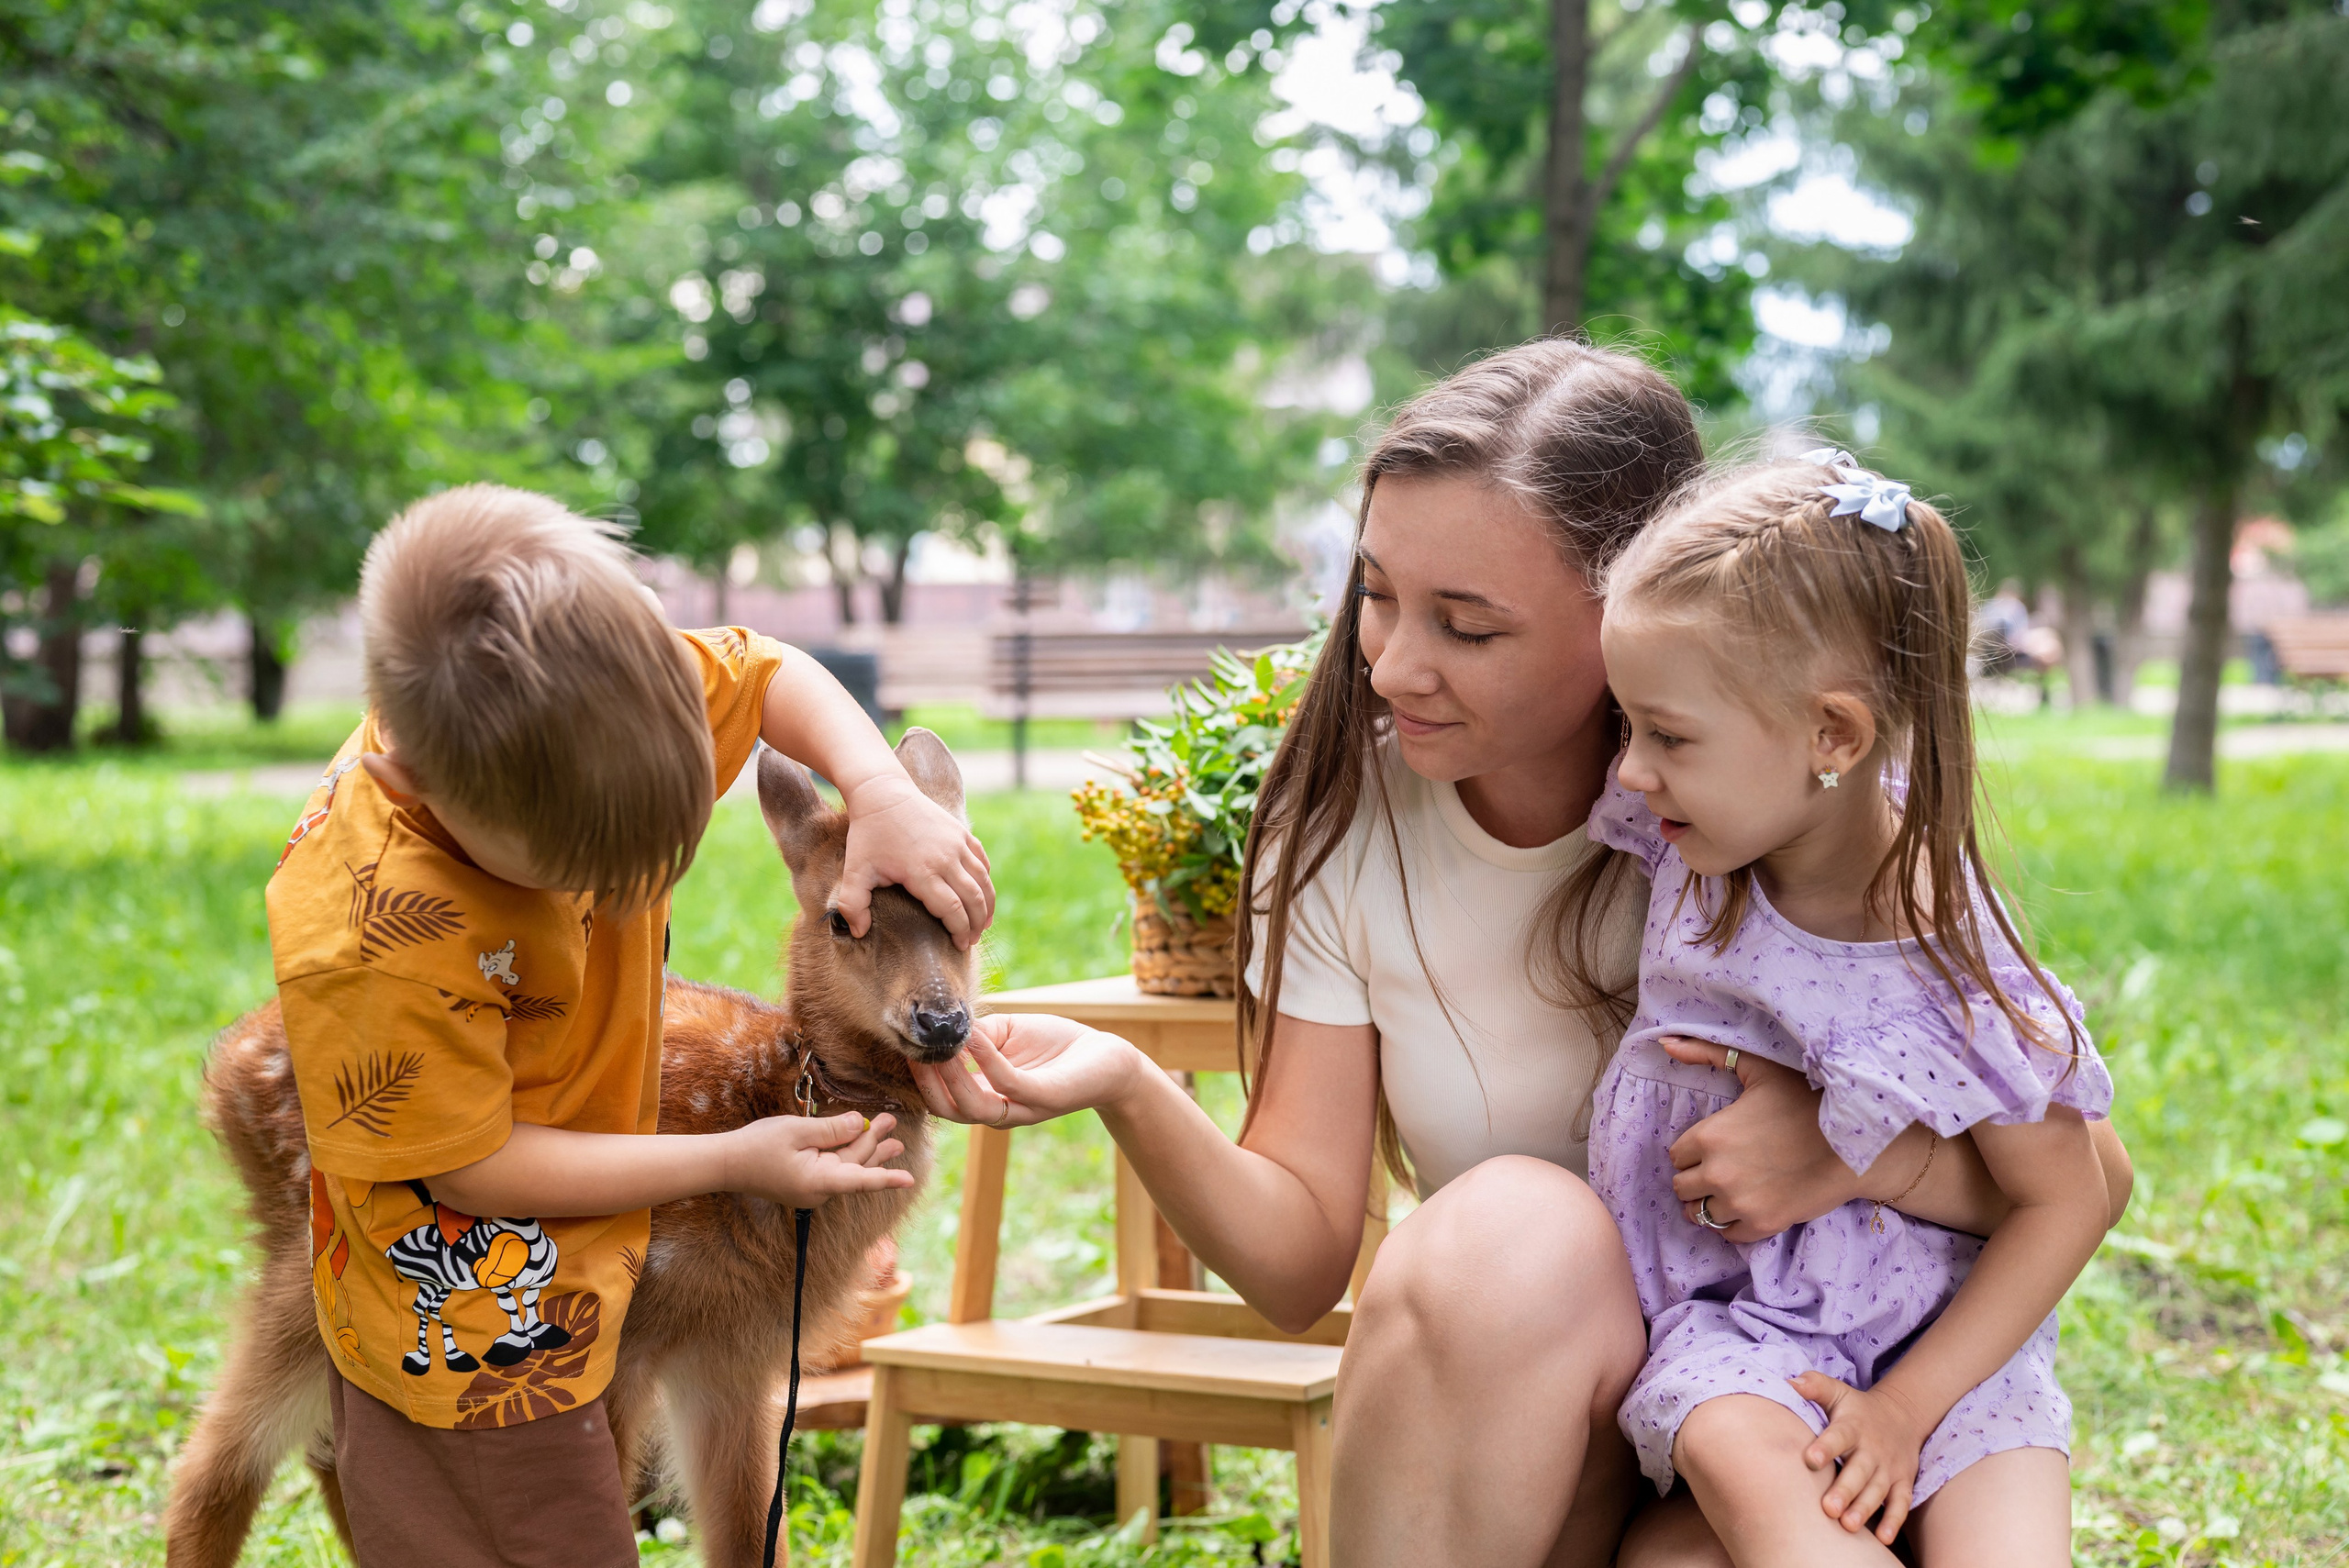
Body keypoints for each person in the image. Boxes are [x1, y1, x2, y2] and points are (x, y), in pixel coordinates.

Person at [905, 340, 2136, 1567]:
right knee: (1511, 1226)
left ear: (1633, 607)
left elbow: (2079, 1170)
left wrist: (1849, 1151)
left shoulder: (1781, 819)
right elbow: (1297, 1262)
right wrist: (1126, 1081)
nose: (1393, 663)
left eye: (1469, 625)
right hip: (1567, 1433)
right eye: (1377, 593)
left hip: (1814, 1405)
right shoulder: (1351, 825)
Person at [268, 485, 989, 1566]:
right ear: (411, 784)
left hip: (586, 1210)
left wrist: (878, 787)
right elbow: (471, 1164)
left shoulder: (600, 698)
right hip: (469, 1312)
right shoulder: (375, 931)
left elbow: (770, 673)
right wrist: (732, 1157)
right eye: (582, 867)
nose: (618, 889)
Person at [1589, 452, 2116, 1565]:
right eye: (1626, 726)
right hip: (1740, 1339)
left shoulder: (1944, 945)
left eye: (1666, 735)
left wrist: (1907, 1408)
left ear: (1833, 735)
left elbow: (2070, 1194)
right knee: (1738, 1489)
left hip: (1952, 1358)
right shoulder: (1691, 845)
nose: (1629, 771)